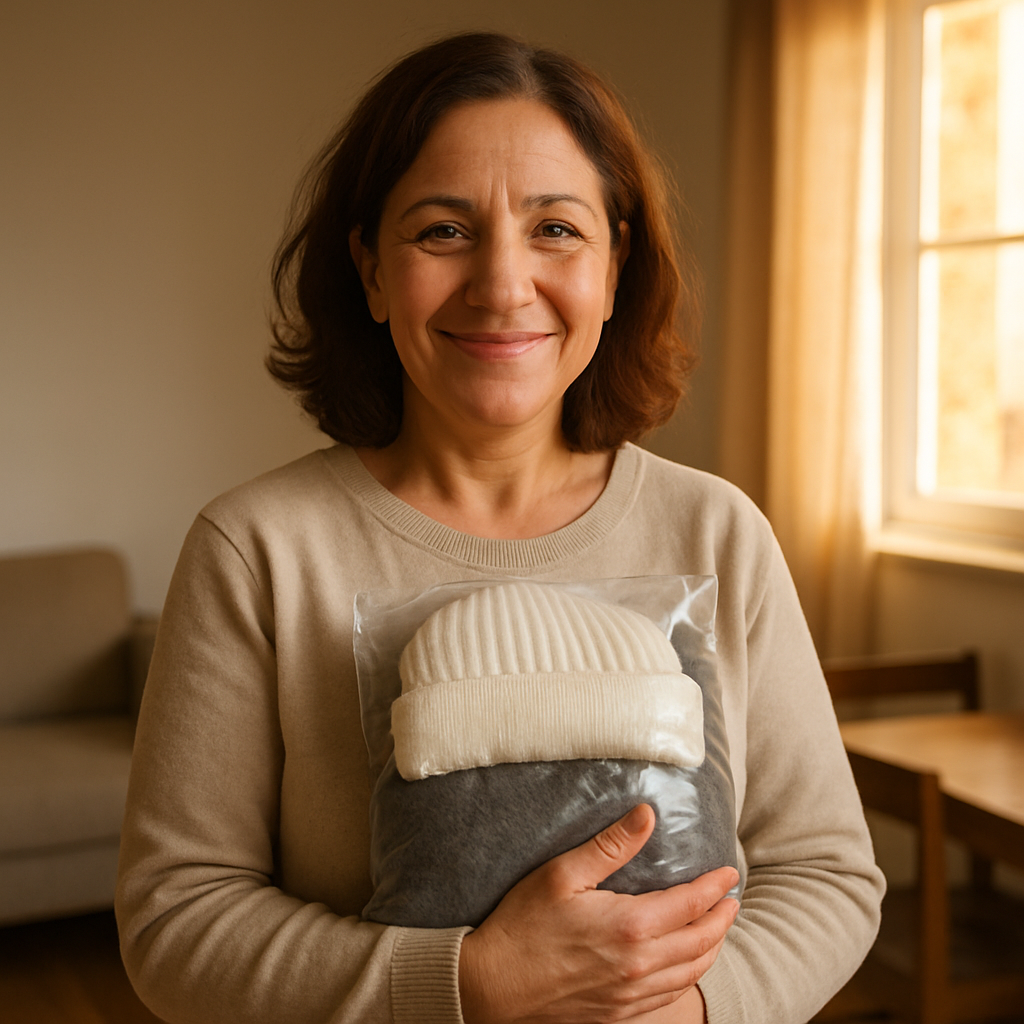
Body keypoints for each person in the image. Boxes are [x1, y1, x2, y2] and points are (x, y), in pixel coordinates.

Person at [116, 31, 884, 1024]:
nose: (502, 283)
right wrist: (469, 984)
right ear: (370, 269)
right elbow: (176, 920)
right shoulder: (257, 550)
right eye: (442, 230)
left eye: (555, 229)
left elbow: (827, 874)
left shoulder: (716, 534)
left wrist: (689, 1010)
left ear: (614, 266)